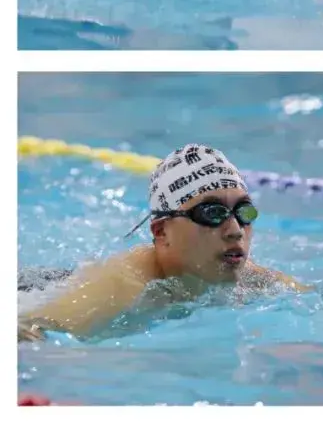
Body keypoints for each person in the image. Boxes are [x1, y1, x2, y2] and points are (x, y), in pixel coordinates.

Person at [18, 144, 306, 340]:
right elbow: (29, 332)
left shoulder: (254, 278)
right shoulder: (123, 287)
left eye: (244, 212)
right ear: (161, 233)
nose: (235, 231)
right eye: (212, 213)